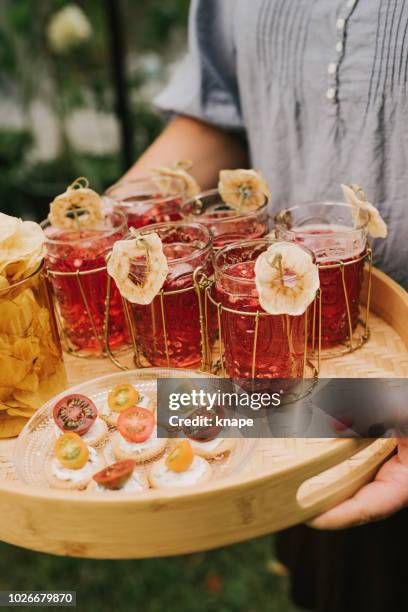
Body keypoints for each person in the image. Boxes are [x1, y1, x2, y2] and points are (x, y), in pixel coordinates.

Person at [123, 2, 408, 610]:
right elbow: (217, 113)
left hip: (388, 357)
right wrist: (113, 221)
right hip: (311, 392)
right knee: (328, 575)